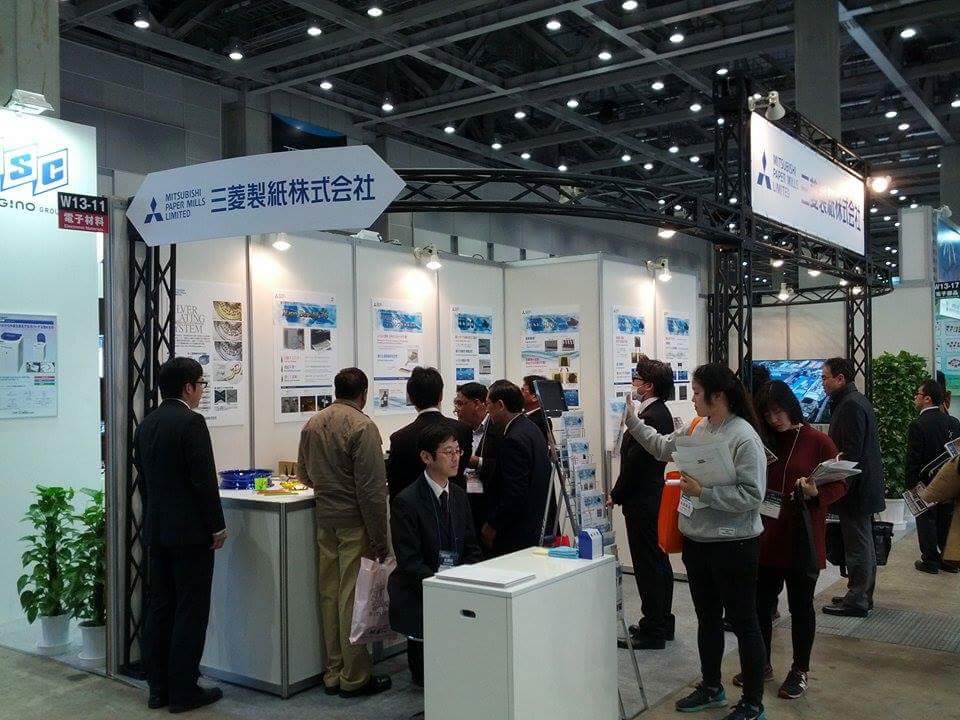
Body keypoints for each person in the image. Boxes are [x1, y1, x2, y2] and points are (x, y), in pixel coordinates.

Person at [623, 362, 768, 720]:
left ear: (717, 396)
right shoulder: (696, 426)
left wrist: (705, 492)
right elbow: (661, 448)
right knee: (707, 618)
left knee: (744, 622)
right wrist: (632, 421)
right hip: (697, 541)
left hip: (735, 544)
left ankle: (752, 702)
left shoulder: (744, 437)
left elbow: (753, 495)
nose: (692, 399)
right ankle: (711, 686)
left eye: (698, 393)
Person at [134, 357, 226, 713]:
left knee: (160, 607)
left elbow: (144, 482)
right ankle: (184, 689)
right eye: (201, 384)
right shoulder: (191, 422)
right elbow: (203, 480)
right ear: (188, 387)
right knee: (190, 609)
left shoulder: (148, 423)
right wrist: (216, 525)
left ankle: (158, 689)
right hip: (190, 535)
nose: (202, 391)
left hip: (157, 531)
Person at [748, 381, 847, 700]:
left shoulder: (817, 441)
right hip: (767, 534)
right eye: (768, 414)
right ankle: (761, 664)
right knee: (761, 605)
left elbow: (841, 484)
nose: (774, 419)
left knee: (801, 606)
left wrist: (816, 493)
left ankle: (800, 669)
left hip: (802, 535)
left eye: (778, 412)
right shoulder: (763, 440)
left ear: (791, 407)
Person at [297, 367, 391, 698]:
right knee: (353, 598)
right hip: (355, 522)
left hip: (325, 519)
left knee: (329, 594)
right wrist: (380, 539)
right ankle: (354, 676)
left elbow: (304, 474)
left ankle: (333, 671)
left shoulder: (313, 423)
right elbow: (372, 490)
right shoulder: (363, 426)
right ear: (363, 393)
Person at [388, 425, 483, 686]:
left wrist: (464, 579)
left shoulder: (459, 496)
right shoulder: (407, 502)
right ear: (426, 457)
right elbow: (409, 561)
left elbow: (472, 548)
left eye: (457, 451)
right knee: (428, 679)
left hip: (457, 589)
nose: (455, 458)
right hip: (422, 592)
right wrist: (441, 587)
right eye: (447, 452)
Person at [609, 359, 676, 650]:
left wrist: (617, 494)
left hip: (643, 500)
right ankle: (661, 621)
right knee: (657, 561)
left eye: (636, 378)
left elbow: (636, 464)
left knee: (648, 564)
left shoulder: (652, 415)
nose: (633, 383)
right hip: (650, 497)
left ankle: (653, 628)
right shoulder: (657, 412)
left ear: (648, 385)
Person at [820, 357, 885, 618]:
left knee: (858, 545)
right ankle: (861, 594)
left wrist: (837, 484)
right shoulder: (854, 401)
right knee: (862, 543)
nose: (822, 383)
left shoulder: (849, 405)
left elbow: (851, 454)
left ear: (840, 379)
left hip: (856, 490)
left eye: (825, 377)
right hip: (863, 487)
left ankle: (857, 598)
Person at [481, 380, 552, 557]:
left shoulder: (513, 439)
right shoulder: (530, 428)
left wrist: (493, 524)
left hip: (516, 532)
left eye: (488, 404)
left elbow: (514, 492)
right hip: (534, 524)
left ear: (500, 405)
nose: (487, 410)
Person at [387, 366, 472, 500]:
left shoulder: (400, 438)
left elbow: (397, 485)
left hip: (416, 508)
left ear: (411, 398)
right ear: (441, 395)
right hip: (454, 504)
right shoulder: (463, 430)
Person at [906, 379, 959, 574]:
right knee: (946, 518)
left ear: (927, 399)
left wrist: (911, 484)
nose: (915, 398)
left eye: (918, 394)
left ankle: (930, 560)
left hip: (925, 481)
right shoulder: (953, 422)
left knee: (926, 519)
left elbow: (913, 458)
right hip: (950, 481)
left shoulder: (918, 424)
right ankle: (948, 561)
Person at [453, 382, 501, 537]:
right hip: (466, 503)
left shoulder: (497, 428)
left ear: (476, 404)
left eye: (460, 404)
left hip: (489, 509)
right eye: (455, 404)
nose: (456, 409)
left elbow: (503, 466)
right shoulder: (459, 431)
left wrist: (476, 462)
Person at [521, 374, 552, 440]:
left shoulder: (540, 421)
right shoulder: (524, 415)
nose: (519, 393)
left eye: (523, 390)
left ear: (534, 397)